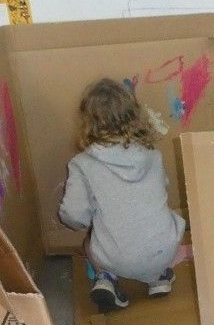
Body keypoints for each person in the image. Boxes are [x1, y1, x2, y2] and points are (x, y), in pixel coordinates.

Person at [59, 78, 185, 311]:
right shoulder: (152, 155)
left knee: (91, 241)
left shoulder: (82, 164)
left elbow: (74, 216)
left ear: (87, 122)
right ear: (134, 115)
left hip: (117, 258)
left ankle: (106, 279)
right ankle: (158, 277)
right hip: (164, 249)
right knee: (164, 220)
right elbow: (162, 188)